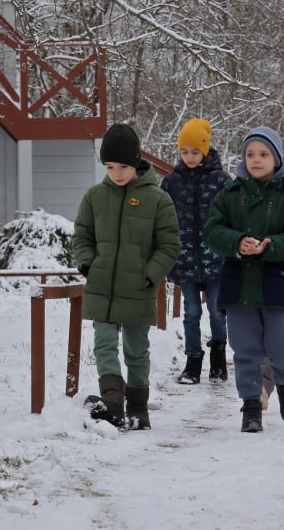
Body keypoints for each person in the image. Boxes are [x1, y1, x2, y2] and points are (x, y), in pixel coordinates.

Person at [74, 123, 181, 430]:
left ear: (135, 163)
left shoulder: (157, 200)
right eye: (109, 167)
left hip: (138, 287)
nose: (117, 173)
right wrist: (88, 264)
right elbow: (82, 235)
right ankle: (112, 402)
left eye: (122, 166)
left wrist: (150, 275)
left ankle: (137, 409)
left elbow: (169, 244)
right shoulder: (94, 198)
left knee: (136, 349)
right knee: (104, 344)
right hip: (103, 288)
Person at [203, 126, 284, 433]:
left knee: (281, 346)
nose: (256, 160)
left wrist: (270, 246)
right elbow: (211, 231)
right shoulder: (230, 195)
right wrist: (237, 242)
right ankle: (251, 407)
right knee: (245, 349)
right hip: (239, 287)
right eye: (250, 154)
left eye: (263, 154)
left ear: (276, 159)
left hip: (277, 285)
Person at [161, 118, 231, 384]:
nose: (189, 157)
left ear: (205, 150)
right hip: (185, 261)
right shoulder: (171, 183)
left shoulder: (221, 181)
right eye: (184, 151)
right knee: (191, 312)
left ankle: (218, 360)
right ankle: (192, 362)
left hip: (216, 261)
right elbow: (163, 219)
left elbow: (233, 216)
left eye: (194, 151)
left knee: (216, 311)